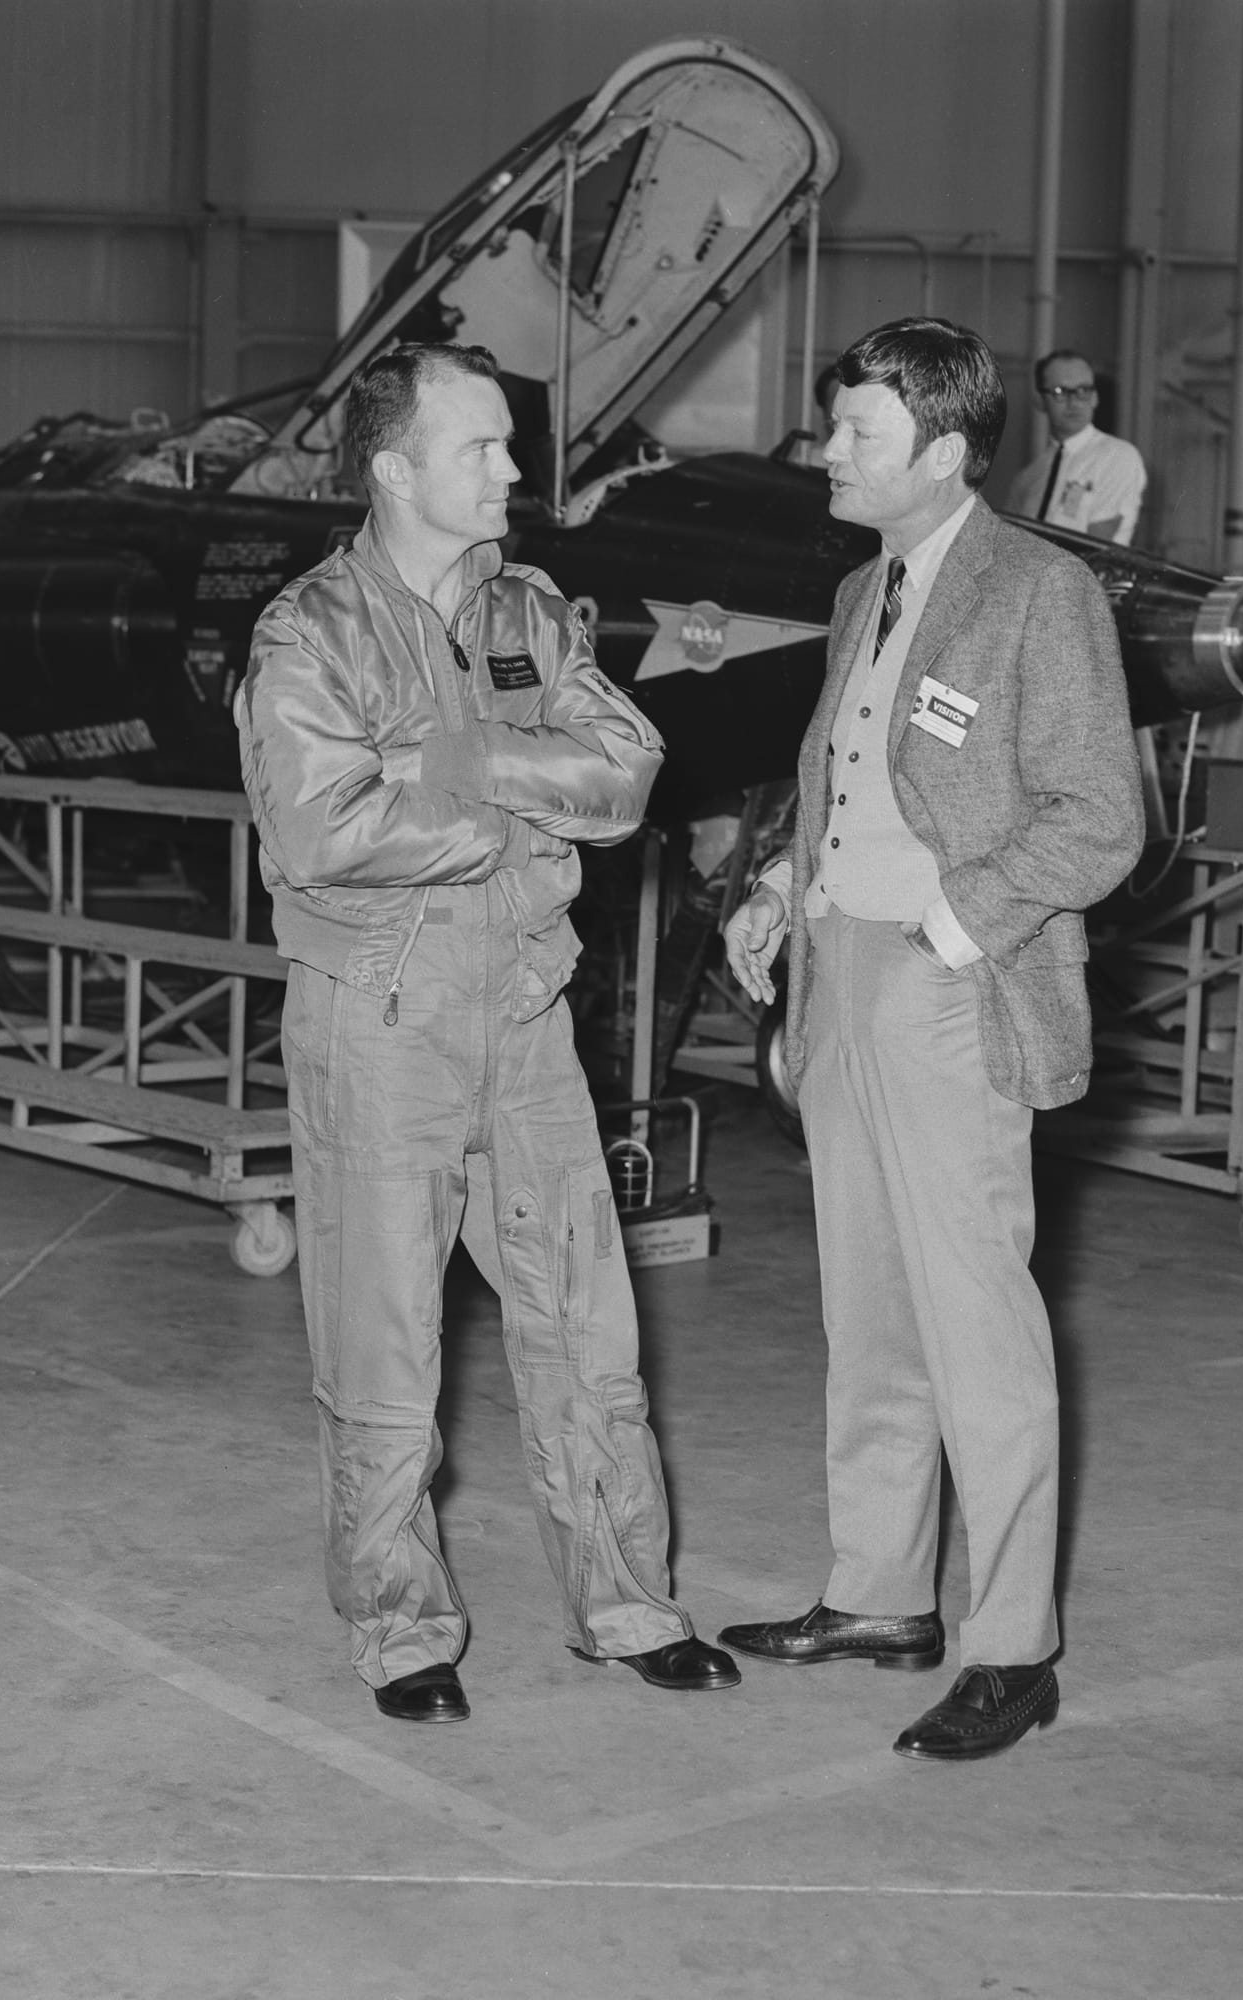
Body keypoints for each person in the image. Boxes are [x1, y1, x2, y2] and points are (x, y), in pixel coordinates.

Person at [235, 343, 738, 1722]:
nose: (517, 471)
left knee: (588, 1331)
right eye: (485, 449)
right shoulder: (310, 634)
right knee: (383, 1350)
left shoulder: (529, 611)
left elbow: (626, 769)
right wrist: (523, 800)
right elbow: (319, 830)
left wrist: (448, 764)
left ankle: (628, 1605)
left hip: (522, 1012)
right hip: (380, 1026)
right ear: (396, 470)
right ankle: (402, 1629)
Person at [718, 317, 1144, 1760]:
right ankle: (881, 1592)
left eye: (857, 435)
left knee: (979, 1331)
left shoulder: (1042, 591)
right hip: (840, 978)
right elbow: (841, 772)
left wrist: (955, 933)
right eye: (835, 427)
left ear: (946, 452)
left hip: (953, 987)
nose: (828, 453)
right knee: (871, 1309)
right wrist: (787, 887)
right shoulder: (862, 591)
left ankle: (1013, 1644)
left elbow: (1099, 817)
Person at [1001, 351, 1147, 544]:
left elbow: (1095, 548)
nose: (1074, 402)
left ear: (1095, 398)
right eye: (1060, 392)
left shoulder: (1117, 456)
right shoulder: (1027, 478)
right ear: (1039, 400)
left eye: (1083, 390)